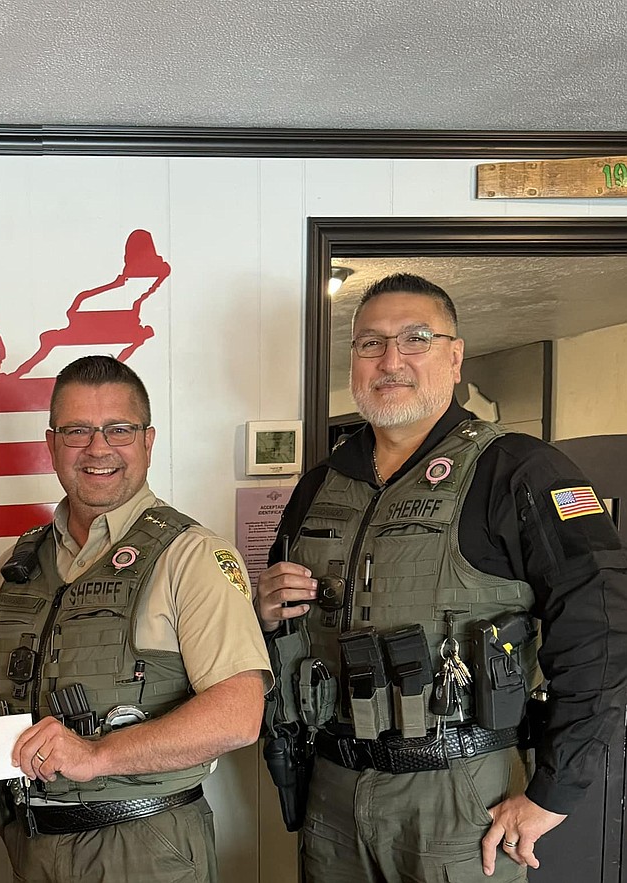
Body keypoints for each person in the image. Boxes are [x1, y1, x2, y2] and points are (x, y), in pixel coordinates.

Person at [256, 273, 627, 882]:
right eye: (370, 343)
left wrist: (555, 790)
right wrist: (267, 613)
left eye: (415, 339)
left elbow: (603, 628)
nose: (390, 360)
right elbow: (286, 625)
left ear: (455, 357)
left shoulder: (521, 470)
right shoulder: (319, 486)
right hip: (333, 789)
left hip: (459, 796)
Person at [0, 354, 271, 883]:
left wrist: (97, 755)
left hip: (144, 848)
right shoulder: (14, 566)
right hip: (30, 841)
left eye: (119, 429)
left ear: (148, 441)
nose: (98, 448)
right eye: (77, 431)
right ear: (52, 444)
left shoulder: (191, 556)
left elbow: (238, 715)